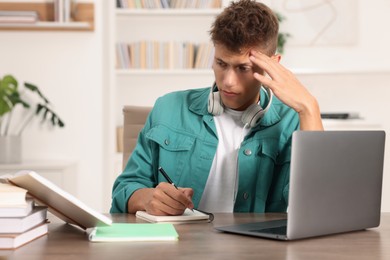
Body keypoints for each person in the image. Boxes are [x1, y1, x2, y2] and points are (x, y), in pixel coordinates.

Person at [110, 0, 323, 215]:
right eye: (221, 64)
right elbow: (124, 191)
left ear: (272, 65)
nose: (228, 81)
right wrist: (147, 199)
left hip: (258, 249)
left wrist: (309, 108)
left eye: (243, 68)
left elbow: (316, 207)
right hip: (179, 245)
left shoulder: (293, 122)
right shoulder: (168, 108)